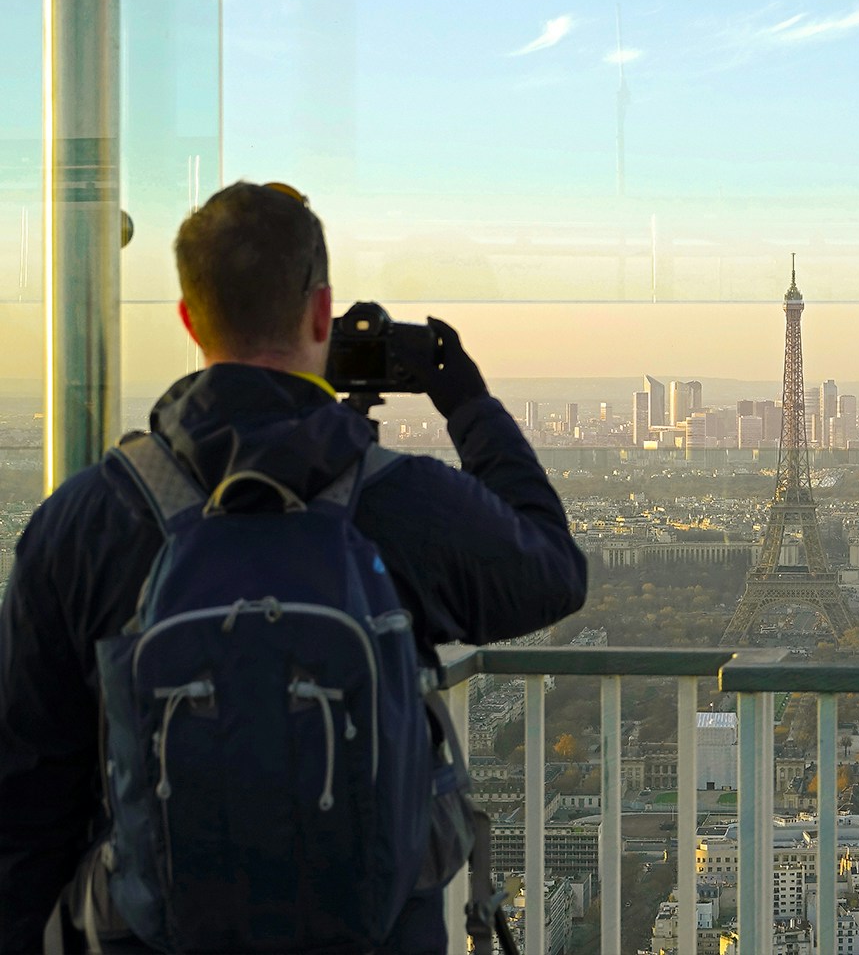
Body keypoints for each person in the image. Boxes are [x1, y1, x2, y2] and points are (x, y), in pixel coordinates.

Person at [0, 181, 588, 953]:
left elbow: (27, 797)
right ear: (322, 313)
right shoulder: (397, 502)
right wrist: (466, 400)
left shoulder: (86, 521)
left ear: (188, 319)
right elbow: (553, 570)